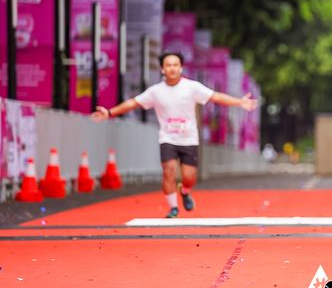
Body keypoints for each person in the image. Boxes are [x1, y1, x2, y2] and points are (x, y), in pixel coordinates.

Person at [91, 52, 257, 218]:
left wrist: (239, 102)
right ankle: (173, 208)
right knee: (169, 171)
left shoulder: (192, 87)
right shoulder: (155, 91)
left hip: (189, 139)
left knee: (189, 177)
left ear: (181, 68)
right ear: (162, 69)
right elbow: (133, 103)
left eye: (175, 65)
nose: (172, 68)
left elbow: (215, 97)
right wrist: (110, 112)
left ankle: (185, 191)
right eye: (168, 65)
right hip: (167, 138)